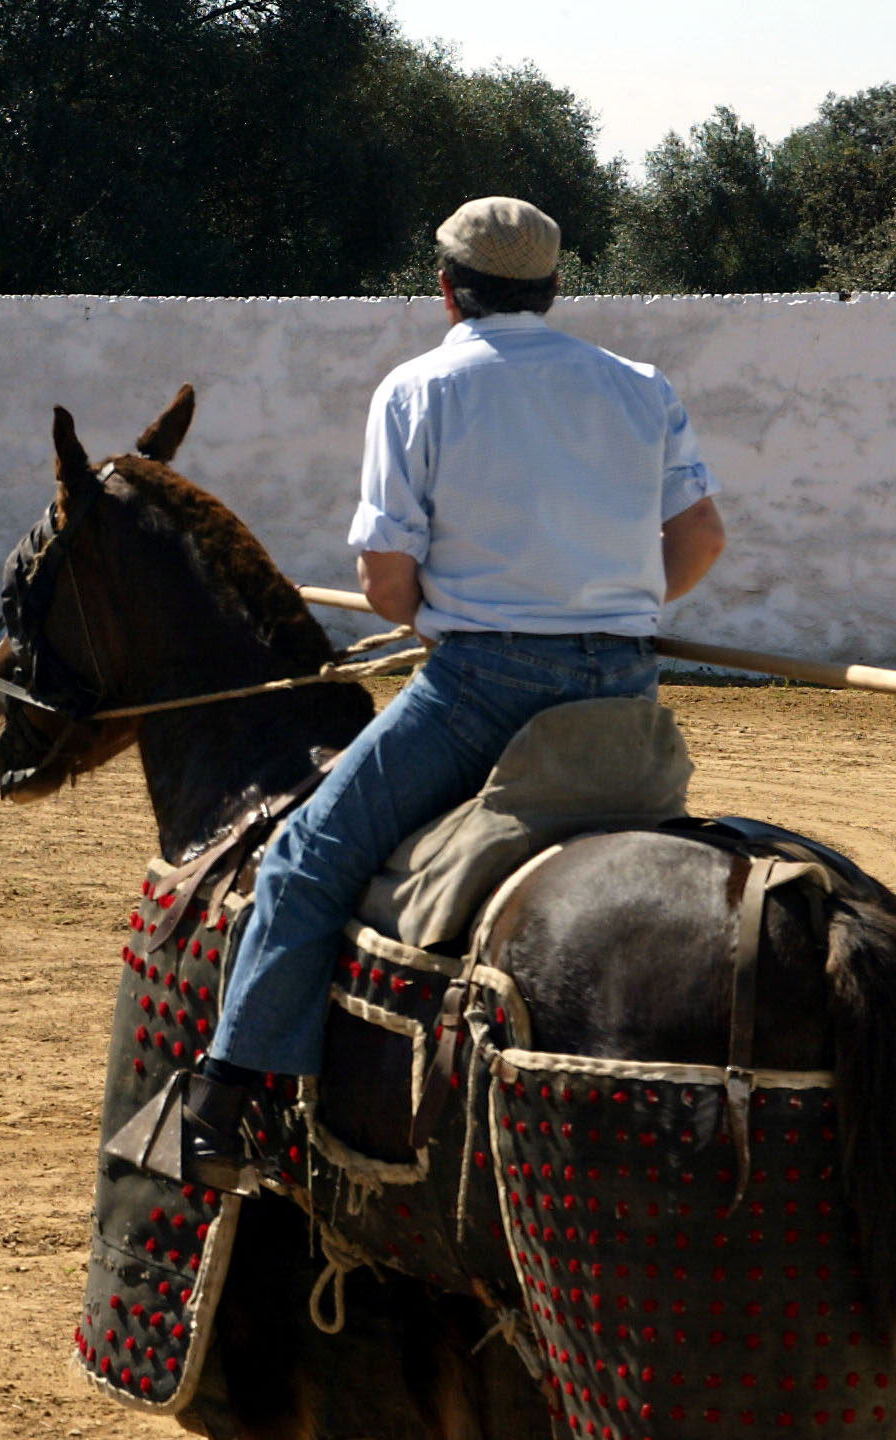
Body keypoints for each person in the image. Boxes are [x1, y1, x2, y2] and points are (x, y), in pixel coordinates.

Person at [182, 195, 727, 1171]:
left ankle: (227, 1099)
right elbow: (700, 540)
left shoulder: (417, 389)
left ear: (446, 290)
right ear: (555, 288)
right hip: (623, 685)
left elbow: (384, 585)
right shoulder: (641, 385)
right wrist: (612, 605)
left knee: (308, 851)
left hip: (484, 683)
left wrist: (455, 609)